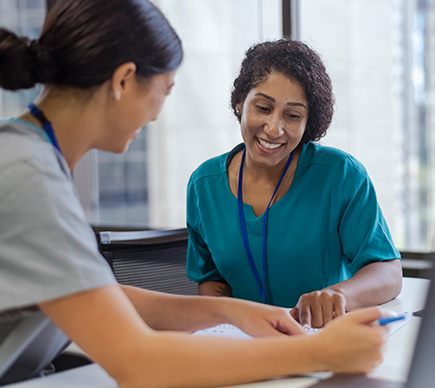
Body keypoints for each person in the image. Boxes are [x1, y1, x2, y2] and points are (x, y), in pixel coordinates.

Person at [0, 1, 390, 387]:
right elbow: (137, 363)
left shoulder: (25, 154)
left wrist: (231, 311)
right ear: (123, 81)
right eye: (165, 90)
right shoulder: (28, 175)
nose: (155, 115)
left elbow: (95, 296)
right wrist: (321, 353)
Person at [186, 39, 403, 329]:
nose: (274, 128)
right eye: (262, 108)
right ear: (240, 104)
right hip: (244, 344)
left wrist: (336, 295)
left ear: (307, 122)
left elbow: (388, 270)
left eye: (292, 115)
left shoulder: (340, 175)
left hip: (320, 337)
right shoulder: (203, 185)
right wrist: (226, 326)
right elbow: (212, 279)